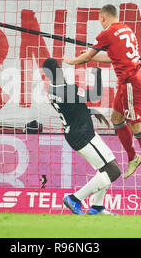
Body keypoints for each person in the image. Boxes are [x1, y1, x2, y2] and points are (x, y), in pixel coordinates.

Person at [63, 4, 141, 182]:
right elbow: (113, 57)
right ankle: (133, 157)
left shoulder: (107, 33)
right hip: (126, 82)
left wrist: (72, 61)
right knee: (117, 119)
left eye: (99, 20)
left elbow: (86, 57)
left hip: (131, 84)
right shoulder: (126, 29)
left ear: (103, 18)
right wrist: (92, 56)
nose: (100, 23)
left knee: (137, 127)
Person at [42, 58, 121, 215]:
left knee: (106, 167)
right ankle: (74, 198)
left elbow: (72, 109)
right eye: (59, 68)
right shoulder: (68, 90)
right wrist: (97, 72)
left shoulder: (53, 90)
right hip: (83, 136)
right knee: (113, 171)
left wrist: (91, 111)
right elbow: (97, 94)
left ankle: (97, 207)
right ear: (57, 71)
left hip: (77, 133)